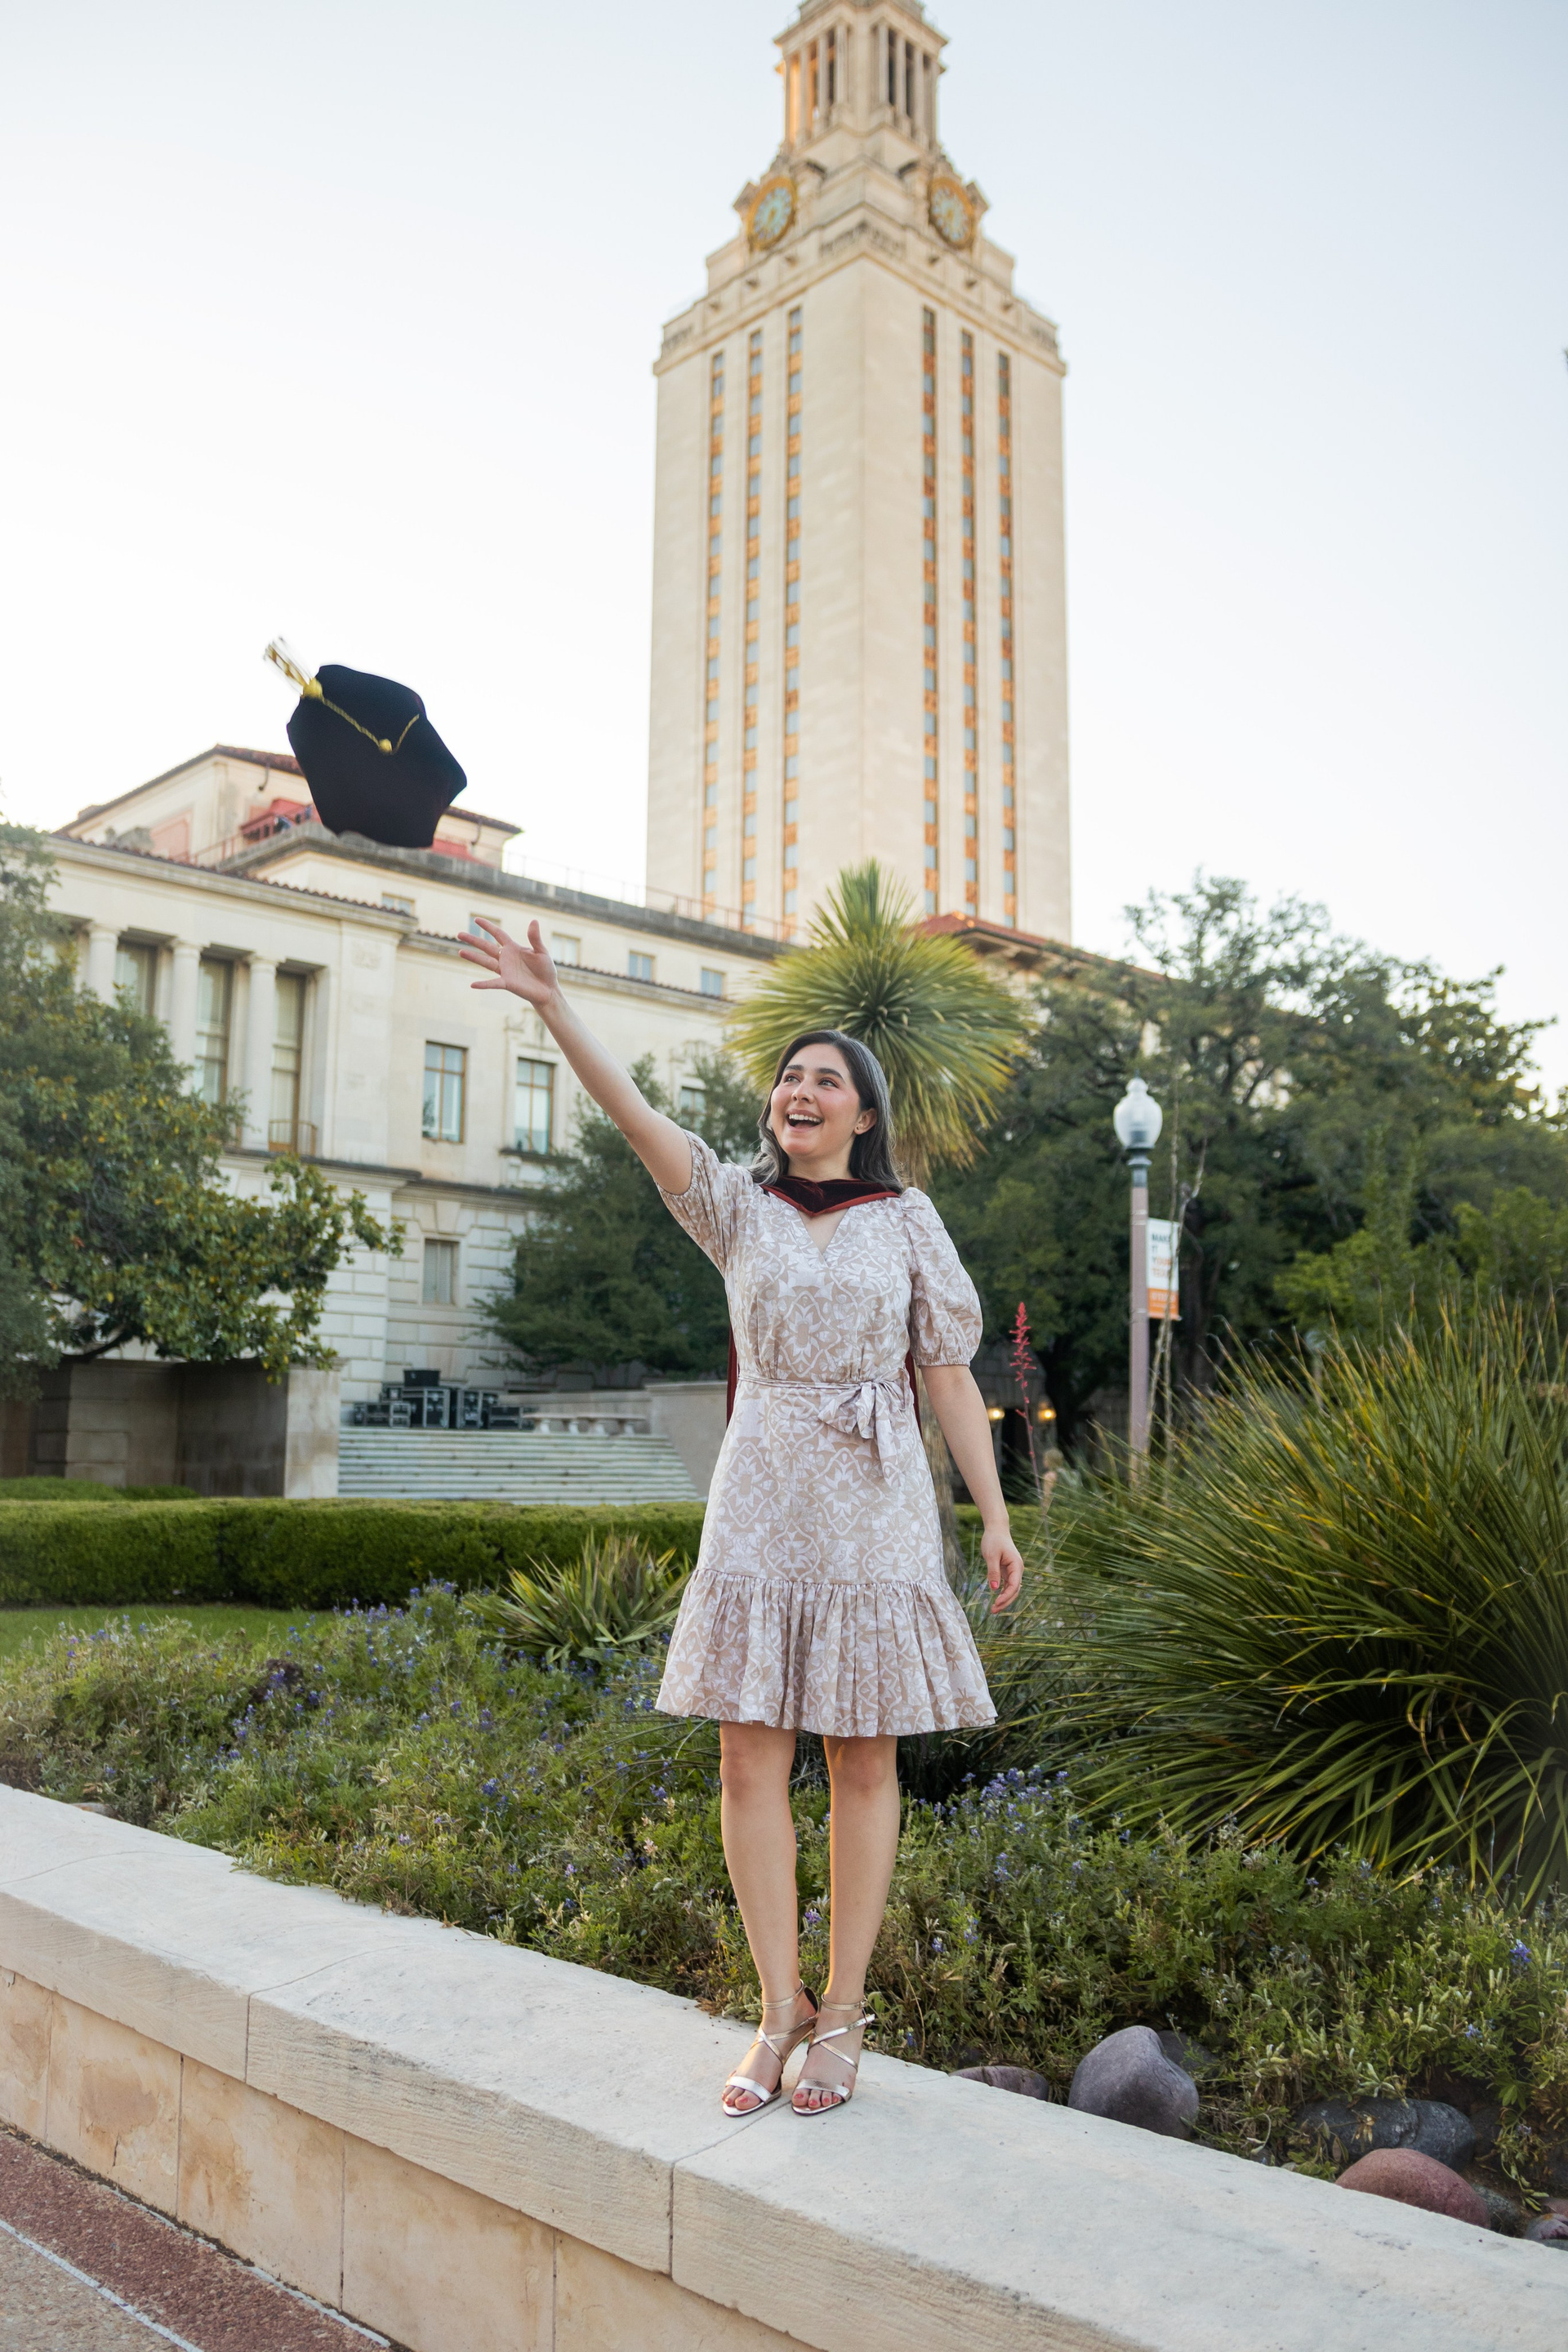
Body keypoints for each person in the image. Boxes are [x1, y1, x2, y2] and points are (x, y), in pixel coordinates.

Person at [459, 914, 1024, 2116]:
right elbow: (634, 1117)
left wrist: (993, 1513)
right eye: (788, 1077)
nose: (799, 1092)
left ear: (863, 1115)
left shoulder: (907, 1219)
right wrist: (554, 1006)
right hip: (761, 1489)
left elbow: (947, 1374)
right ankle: (778, 2011)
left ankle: (847, 2011)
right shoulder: (733, 1206)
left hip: (875, 1499)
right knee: (746, 1753)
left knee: (863, 1755)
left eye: (826, 1080)